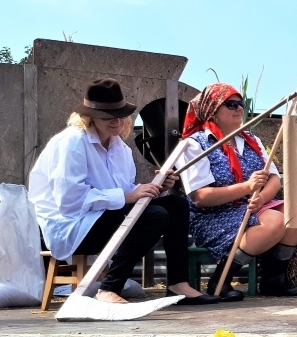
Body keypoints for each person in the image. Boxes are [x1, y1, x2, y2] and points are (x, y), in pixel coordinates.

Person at [28, 78, 219, 305]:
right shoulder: (71, 143)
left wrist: (156, 187)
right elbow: (69, 200)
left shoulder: (120, 148)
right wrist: (127, 196)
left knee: (175, 205)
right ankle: (108, 288)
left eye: (120, 114)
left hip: (103, 217)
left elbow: (126, 191)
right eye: (108, 116)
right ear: (89, 117)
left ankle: (178, 283)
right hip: (72, 225)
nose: (116, 120)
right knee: (154, 216)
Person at [178, 82, 297, 298]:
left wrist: (262, 197)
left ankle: (274, 279)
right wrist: (247, 187)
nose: (239, 108)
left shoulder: (251, 140)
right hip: (214, 214)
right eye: (231, 104)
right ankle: (221, 279)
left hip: (251, 206)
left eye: (241, 104)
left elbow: (274, 177)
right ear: (212, 110)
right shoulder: (195, 145)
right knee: (275, 222)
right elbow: (200, 197)